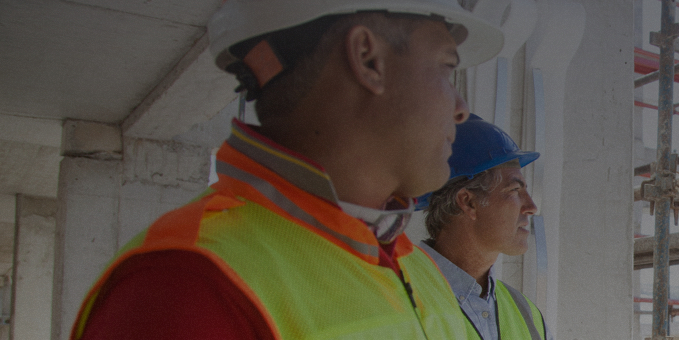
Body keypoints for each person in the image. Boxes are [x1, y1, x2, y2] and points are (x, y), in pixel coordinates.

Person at [70, 0, 503, 338]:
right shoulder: (186, 286)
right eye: (447, 70)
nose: (462, 109)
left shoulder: (408, 263)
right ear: (368, 59)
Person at [421, 115, 550, 340]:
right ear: (469, 202)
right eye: (514, 191)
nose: (531, 207)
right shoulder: (396, 292)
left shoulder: (526, 314)